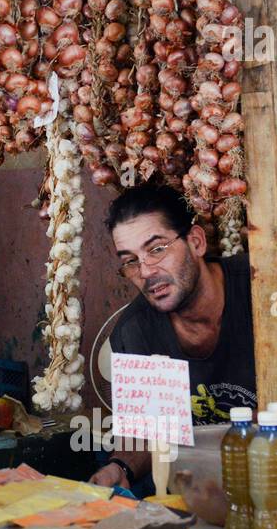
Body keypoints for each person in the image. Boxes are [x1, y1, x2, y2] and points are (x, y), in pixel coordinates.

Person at [91, 183, 256, 491]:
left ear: (195, 242)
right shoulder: (135, 331)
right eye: (130, 260)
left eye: (156, 249)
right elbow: (147, 434)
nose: (146, 271)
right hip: (203, 491)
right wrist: (120, 467)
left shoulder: (263, 289)